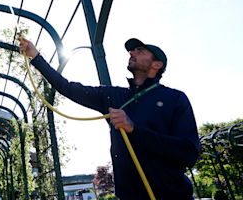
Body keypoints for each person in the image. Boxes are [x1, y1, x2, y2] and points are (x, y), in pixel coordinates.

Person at [19, 37, 200, 200]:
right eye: (132, 50)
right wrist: (35, 56)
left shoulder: (175, 99)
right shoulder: (113, 96)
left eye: (140, 51)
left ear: (157, 65)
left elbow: (189, 153)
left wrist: (134, 130)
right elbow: (67, 87)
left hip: (172, 195)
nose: (132, 53)